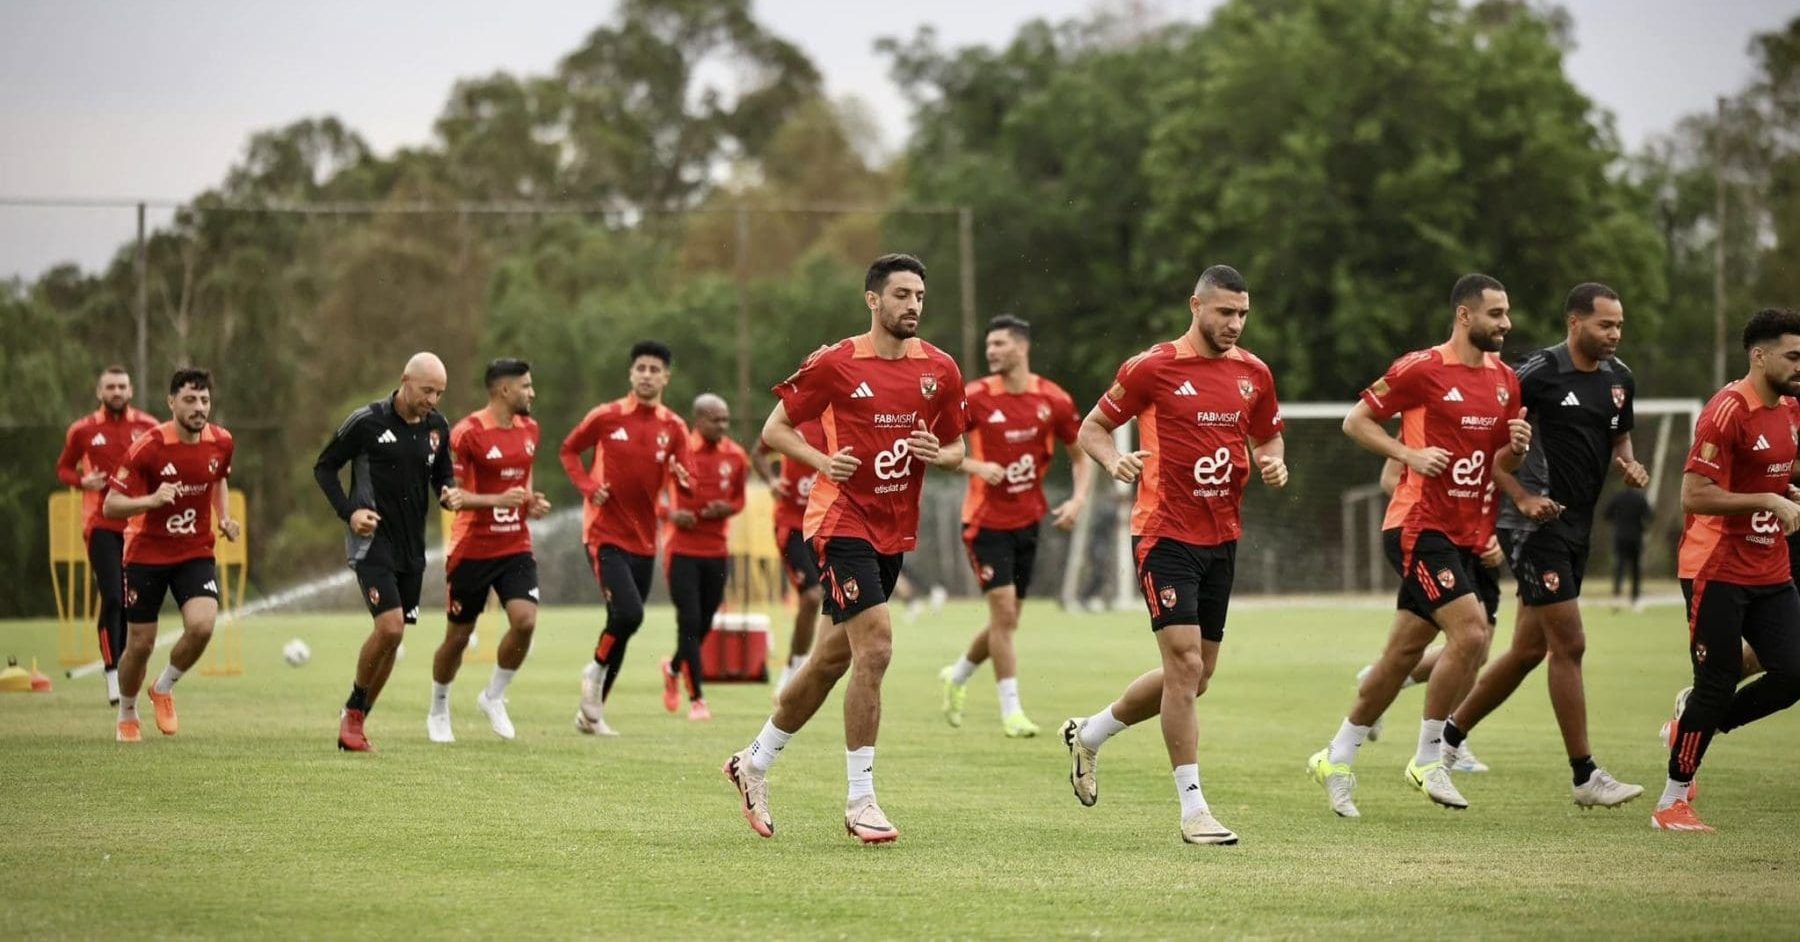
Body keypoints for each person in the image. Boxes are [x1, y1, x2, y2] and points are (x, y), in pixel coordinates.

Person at [722, 253, 968, 845]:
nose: (912, 306)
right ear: (873, 300)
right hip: (839, 521)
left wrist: (938, 453)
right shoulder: (835, 363)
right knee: (877, 648)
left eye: (919, 297)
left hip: (893, 529)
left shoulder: (939, 368)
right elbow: (774, 431)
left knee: (831, 660)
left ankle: (752, 761)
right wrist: (822, 461)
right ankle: (861, 800)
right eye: (901, 295)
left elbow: (959, 449)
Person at [1059, 265, 1286, 846]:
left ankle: (1090, 733)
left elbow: (1268, 433)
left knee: (1196, 676)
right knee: (1184, 666)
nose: (1234, 324)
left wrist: (1273, 459)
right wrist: (1115, 463)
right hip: (1164, 535)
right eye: (1224, 313)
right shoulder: (1152, 367)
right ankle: (1194, 809)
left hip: (1222, 537)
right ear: (1196, 306)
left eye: (1242, 314)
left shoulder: (1253, 373)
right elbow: (1093, 428)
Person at [1305, 273, 1529, 817]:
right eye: (1495, 314)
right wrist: (1408, 456)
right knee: (1472, 634)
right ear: (1464, 316)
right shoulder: (1421, 368)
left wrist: (1517, 453)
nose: (1505, 323)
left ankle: (1336, 756)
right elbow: (1355, 422)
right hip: (1417, 525)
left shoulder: (1505, 382)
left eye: (1506, 314)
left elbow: (1496, 465)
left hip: (1467, 536)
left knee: (1402, 656)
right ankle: (1430, 757)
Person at [1445, 283, 1647, 808]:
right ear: (1575, 323)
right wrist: (1524, 497)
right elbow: (1492, 450)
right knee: (1570, 644)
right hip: (1531, 527)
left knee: (1529, 650)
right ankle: (1585, 776)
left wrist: (1627, 460)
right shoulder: (1535, 374)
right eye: (1605, 325)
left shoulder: (1620, 380)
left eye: (1619, 325)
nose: (1615, 335)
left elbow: (1618, 435)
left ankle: (1445, 741)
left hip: (1573, 526)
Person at [1652, 308, 1800, 832]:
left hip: (1770, 567)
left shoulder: (1790, 411)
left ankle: (1692, 728)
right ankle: (1671, 802)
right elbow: (1695, 493)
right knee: (1714, 684)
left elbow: (1775, 469)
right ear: (1759, 355)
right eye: (1793, 355)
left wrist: (1784, 491)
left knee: (1792, 674)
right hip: (1716, 568)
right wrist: (1770, 499)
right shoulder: (1726, 410)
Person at [939, 314, 1091, 738]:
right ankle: (1012, 711)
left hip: (1028, 522)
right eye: (989, 345)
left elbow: (1080, 455)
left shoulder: (1053, 399)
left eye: (1000, 344)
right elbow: (937, 449)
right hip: (984, 522)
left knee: (1006, 621)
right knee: (1004, 615)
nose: (991, 351)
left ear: (1022, 348)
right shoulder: (975, 397)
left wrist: (1078, 500)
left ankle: (958, 675)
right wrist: (974, 464)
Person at [315, 353, 457, 752]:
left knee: (394, 639)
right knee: (390, 627)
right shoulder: (367, 422)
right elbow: (325, 468)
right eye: (427, 390)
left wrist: (448, 491)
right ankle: (353, 711)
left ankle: (357, 720)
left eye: (440, 393)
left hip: (413, 550)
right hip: (372, 543)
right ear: (405, 381)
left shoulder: (438, 427)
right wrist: (350, 512)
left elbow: (442, 472)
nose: (433, 399)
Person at [560, 340, 691, 737]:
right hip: (603, 533)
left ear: (666, 377)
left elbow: (687, 476)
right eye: (641, 368)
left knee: (624, 623)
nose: (647, 375)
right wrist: (587, 486)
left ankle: (591, 714)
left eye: (655, 369)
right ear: (631, 374)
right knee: (629, 614)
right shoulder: (606, 416)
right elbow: (569, 451)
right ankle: (595, 672)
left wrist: (684, 480)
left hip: (645, 539)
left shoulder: (674, 427)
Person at [104, 368, 239, 742]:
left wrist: (224, 518)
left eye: (205, 400)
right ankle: (127, 713)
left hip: (195, 550)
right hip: (146, 552)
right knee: (141, 644)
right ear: (171, 402)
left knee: (202, 625)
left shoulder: (222, 442)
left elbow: (219, 478)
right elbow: (111, 506)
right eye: (190, 400)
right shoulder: (149, 445)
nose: (199, 408)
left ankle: (162, 688)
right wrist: (152, 499)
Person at [1350, 457, 1500, 774]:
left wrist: (1494, 530)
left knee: (1476, 646)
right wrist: (1439, 517)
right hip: (1437, 543)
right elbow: (1391, 477)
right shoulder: (1427, 416)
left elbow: (1496, 481)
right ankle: (1445, 743)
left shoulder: (1506, 420)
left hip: (1476, 543)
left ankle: (1381, 681)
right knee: (1471, 639)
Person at [429, 358, 551, 743]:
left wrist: (529, 502)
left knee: (525, 621)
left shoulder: (530, 429)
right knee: (459, 638)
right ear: (504, 390)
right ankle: (439, 706)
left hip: (515, 544)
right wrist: (499, 497)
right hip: (472, 549)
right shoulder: (467, 434)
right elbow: (453, 499)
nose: (532, 393)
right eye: (526, 386)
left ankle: (494, 696)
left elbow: (523, 480)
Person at [56, 365, 159, 705]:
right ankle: (112, 673)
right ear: (100, 392)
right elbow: (63, 468)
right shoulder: (83, 430)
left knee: (133, 603)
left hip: (138, 527)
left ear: (130, 391)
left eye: (122, 386)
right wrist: (80, 481)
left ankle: (129, 669)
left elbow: (162, 464)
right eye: (110, 387)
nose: (117, 392)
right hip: (100, 524)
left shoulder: (147, 426)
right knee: (112, 597)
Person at [660, 393, 749, 720]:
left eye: (726, 419)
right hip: (682, 550)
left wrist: (728, 508)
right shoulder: (677, 455)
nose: (723, 425)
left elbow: (739, 499)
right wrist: (671, 514)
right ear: (698, 420)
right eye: (716, 419)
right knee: (690, 620)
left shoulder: (736, 456)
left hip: (716, 550)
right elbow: (653, 497)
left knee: (706, 621)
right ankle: (697, 698)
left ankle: (672, 668)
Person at [750, 419, 827, 698]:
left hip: (830, 523)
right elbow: (758, 451)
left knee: (839, 604)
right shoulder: (792, 418)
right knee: (811, 596)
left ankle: (817, 670)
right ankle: (792, 673)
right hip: (792, 525)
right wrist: (771, 479)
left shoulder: (843, 415)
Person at [1605, 488, 1652, 607]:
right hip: (1636, 537)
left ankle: (1616, 594)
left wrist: (1618, 522)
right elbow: (1650, 516)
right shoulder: (1641, 498)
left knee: (1619, 566)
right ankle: (1635, 597)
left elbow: (1606, 514)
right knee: (1635, 567)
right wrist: (1643, 527)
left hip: (1620, 536)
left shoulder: (1618, 497)